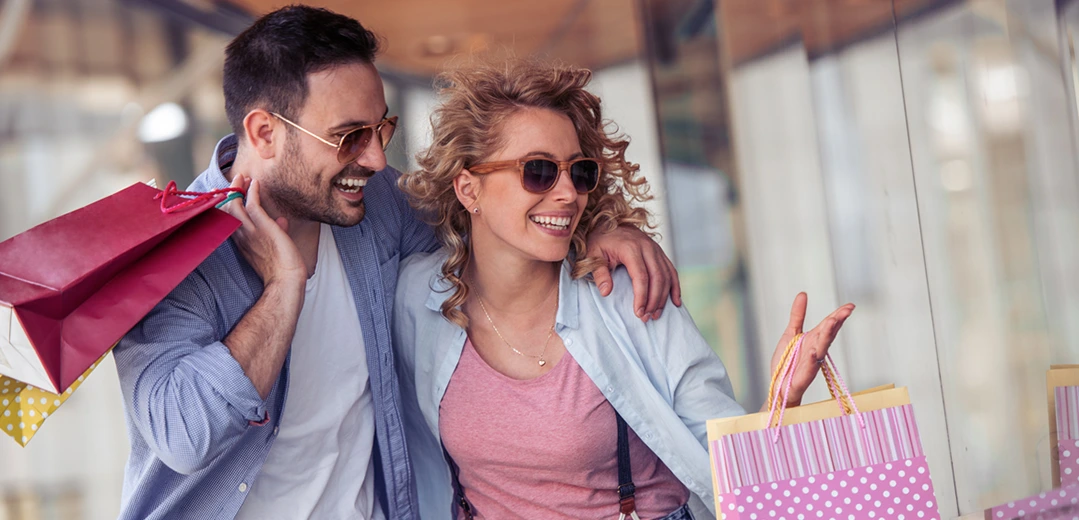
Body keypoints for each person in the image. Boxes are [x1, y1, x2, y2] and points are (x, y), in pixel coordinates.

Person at [112, 7, 678, 520]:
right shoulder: (172, 256)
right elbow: (182, 434)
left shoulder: (375, 203)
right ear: (265, 132)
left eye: (381, 128)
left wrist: (598, 225)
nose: (377, 158)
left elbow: (497, 216)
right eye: (349, 136)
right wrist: (285, 287)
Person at [393, 59, 856, 519]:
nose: (568, 193)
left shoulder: (625, 292)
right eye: (538, 170)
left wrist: (783, 399)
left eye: (579, 173)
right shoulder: (417, 298)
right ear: (468, 189)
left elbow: (725, 455)